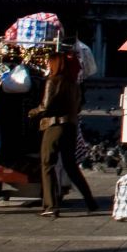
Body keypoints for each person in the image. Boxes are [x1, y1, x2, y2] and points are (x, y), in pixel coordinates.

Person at [31, 50, 99, 217]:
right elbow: (78, 106)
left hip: (54, 126)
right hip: (70, 125)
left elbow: (45, 106)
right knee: (71, 165)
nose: (47, 65)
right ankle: (90, 201)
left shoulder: (52, 81)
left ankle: (50, 206)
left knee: (47, 164)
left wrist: (32, 112)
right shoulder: (73, 83)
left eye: (49, 62)